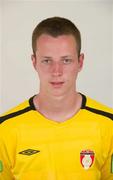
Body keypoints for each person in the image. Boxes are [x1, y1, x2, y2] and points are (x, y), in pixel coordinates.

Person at [0, 16, 113, 180]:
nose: (56, 71)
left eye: (66, 60)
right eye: (47, 61)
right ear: (34, 62)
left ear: (80, 62)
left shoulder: (109, 126)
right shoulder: (5, 130)